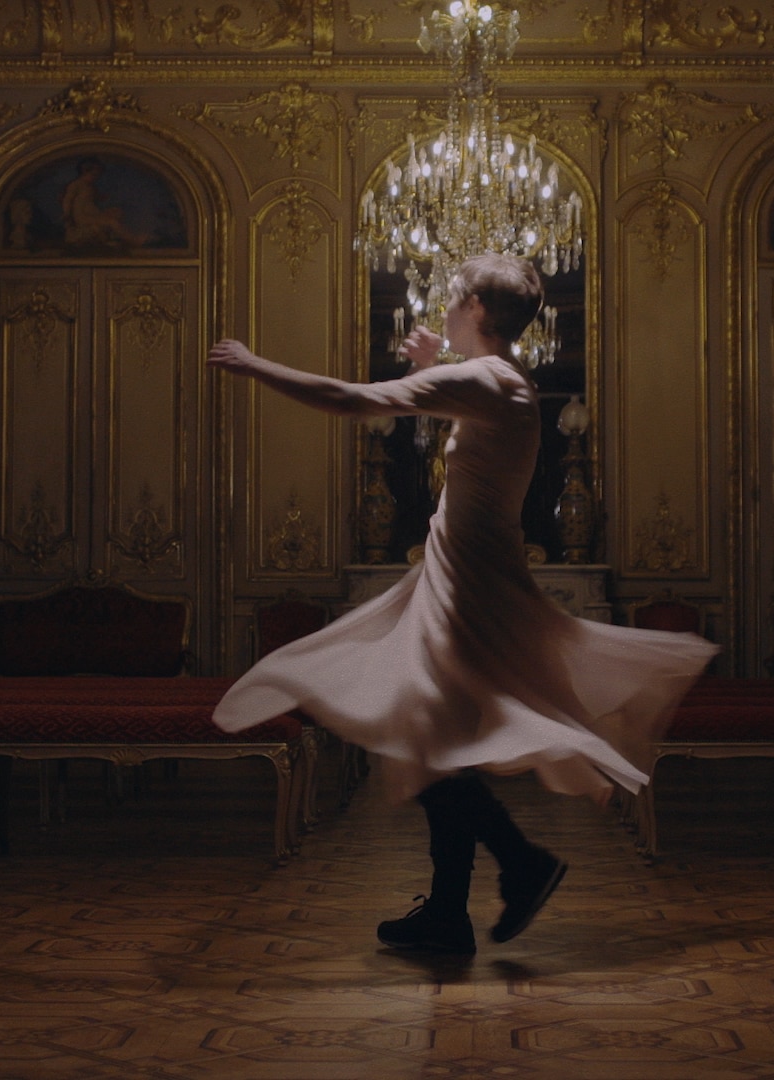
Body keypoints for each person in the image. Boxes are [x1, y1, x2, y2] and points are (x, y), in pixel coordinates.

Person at [207, 254, 719, 955]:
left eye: (451, 297)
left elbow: (350, 401)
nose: (443, 308)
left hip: (470, 581)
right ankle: (453, 909)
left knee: (430, 742)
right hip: (467, 573)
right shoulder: (498, 379)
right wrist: (423, 362)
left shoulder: (484, 379)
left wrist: (252, 363)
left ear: (476, 306)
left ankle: (516, 867)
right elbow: (441, 409)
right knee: (439, 743)